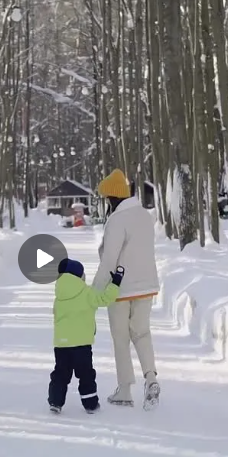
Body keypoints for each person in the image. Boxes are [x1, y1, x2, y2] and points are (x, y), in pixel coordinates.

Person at [91, 169, 160, 410]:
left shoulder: (116, 220)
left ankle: (124, 390)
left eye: (107, 198)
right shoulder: (144, 215)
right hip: (147, 285)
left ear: (112, 197)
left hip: (120, 289)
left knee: (120, 338)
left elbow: (110, 259)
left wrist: (94, 291)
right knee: (142, 333)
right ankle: (151, 378)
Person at [48, 258, 125, 414]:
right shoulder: (87, 293)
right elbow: (104, 299)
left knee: (61, 374)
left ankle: (55, 402)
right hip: (82, 344)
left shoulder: (59, 297)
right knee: (86, 374)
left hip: (61, 345)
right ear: (79, 277)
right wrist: (115, 283)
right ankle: (90, 404)